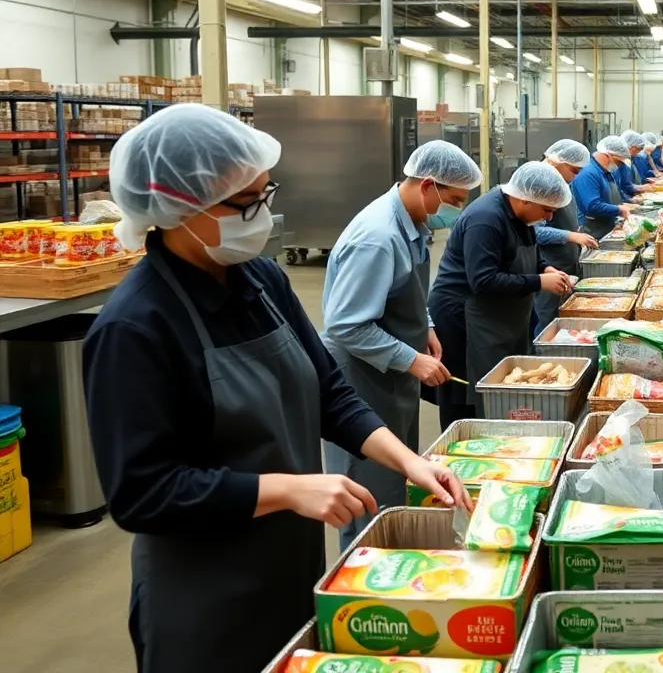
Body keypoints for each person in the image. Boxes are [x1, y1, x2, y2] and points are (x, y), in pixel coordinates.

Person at [82, 105, 470, 673]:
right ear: (180, 206)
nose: (263, 214)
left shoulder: (261, 281)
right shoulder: (135, 327)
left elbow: (329, 393)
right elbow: (142, 492)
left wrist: (408, 460)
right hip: (203, 590)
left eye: (268, 193)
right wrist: (288, 490)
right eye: (247, 202)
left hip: (287, 561)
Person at [321, 140, 481, 550]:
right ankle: (366, 585)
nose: (457, 212)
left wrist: (423, 324)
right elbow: (346, 326)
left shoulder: (413, 226)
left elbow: (401, 291)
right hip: (362, 379)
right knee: (371, 493)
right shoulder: (378, 238)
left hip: (391, 377)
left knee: (397, 478)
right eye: (456, 201)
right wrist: (410, 359)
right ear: (429, 186)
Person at [428, 162, 574, 426]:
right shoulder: (485, 220)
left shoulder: (522, 216)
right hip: (467, 316)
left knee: (502, 383)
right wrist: (539, 281)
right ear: (524, 198)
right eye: (546, 210)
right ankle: (463, 447)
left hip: (500, 313)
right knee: (469, 394)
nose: (549, 218)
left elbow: (533, 251)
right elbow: (483, 280)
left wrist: (545, 267)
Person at [533, 140, 599, 335]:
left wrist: (577, 231)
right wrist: (570, 235)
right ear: (556, 161)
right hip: (550, 265)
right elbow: (535, 232)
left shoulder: (561, 183)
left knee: (558, 318)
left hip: (565, 263)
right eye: (574, 171)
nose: (575, 177)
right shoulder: (539, 184)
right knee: (547, 321)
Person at [571, 135, 637, 239]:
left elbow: (610, 197)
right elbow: (592, 206)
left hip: (606, 227)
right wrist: (619, 209)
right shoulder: (588, 173)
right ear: (608, 155)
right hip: (592, 230)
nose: (619, 166)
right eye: (619, 162)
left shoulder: (605, 171)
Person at [614, 130, 653, 199]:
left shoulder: (629, 160)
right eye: (638, 149)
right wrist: (630, 200)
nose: (639, 152)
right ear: (631, 147)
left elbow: (628, 183)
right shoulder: (619, 162)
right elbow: (623, 186)